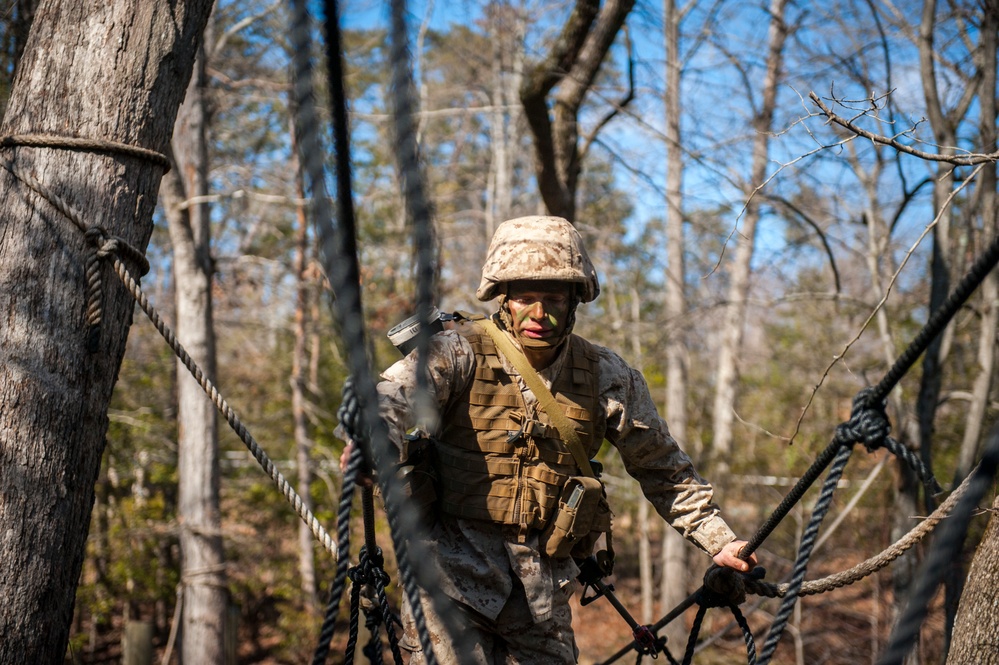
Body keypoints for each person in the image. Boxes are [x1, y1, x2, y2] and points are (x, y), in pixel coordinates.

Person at [339, 215, 757, 664]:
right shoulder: (456, 351)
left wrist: (721, 541)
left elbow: (664, 470)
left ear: (575, 301)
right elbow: (390, 399)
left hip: (542, 593)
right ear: (504, 297)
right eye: (525, 298)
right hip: (449, 582)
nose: (540, 314)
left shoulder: (606, 375)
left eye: (554, 298)